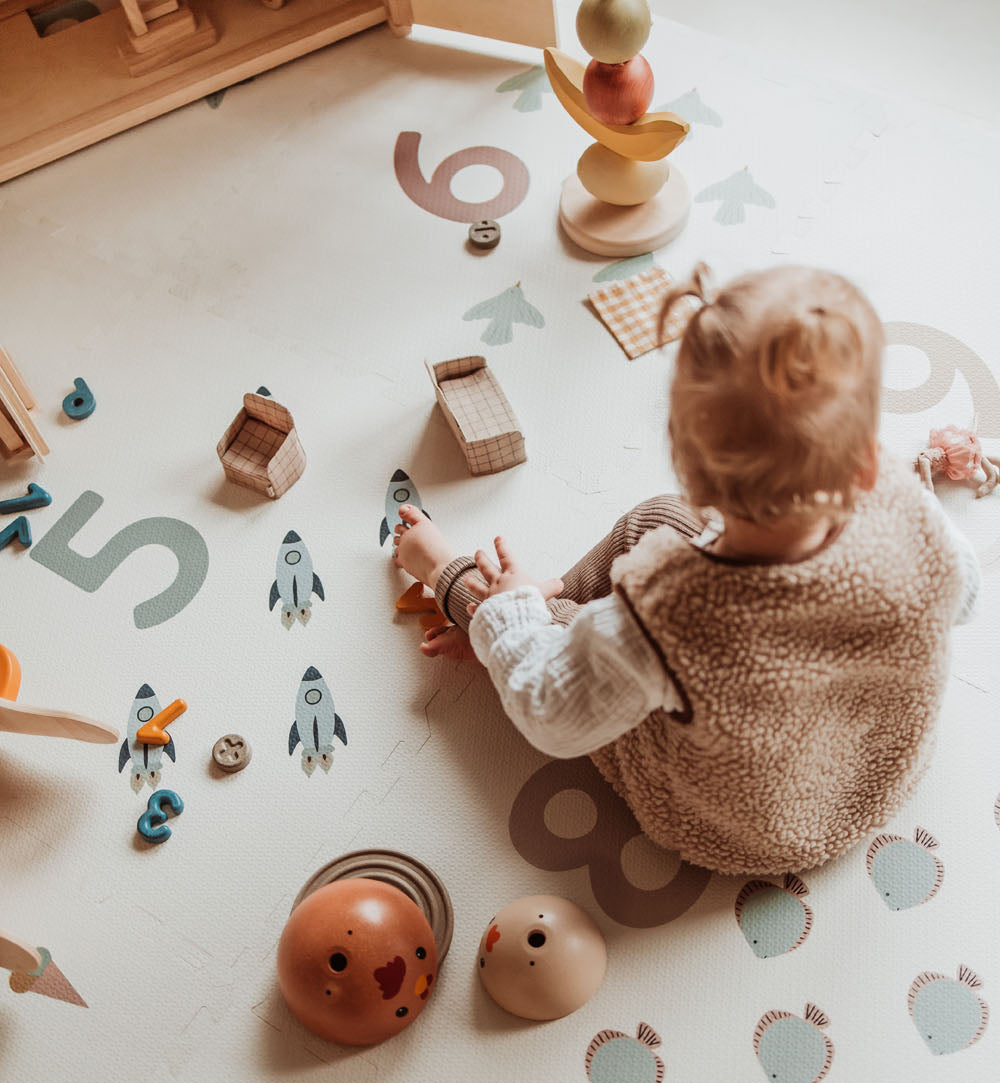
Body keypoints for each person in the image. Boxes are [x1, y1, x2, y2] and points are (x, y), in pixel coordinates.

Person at [393, 263, 981, 875]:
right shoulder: (905, 506)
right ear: (863, 458)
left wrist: (511, 621)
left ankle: (458, 581)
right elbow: (960, 597)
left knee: (547, 627)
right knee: (654, 522)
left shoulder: (671, 614)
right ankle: (539, 608)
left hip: (752, 826)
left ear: (696, 475)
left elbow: (554, 715)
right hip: (875, 763)